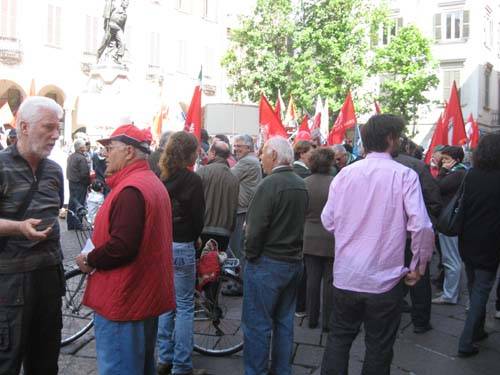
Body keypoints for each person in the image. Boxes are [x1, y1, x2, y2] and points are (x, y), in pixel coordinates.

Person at [320, 114, 434, 374]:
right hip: (384, 279)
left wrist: (352, 232)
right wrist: (418, 265)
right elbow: (422, 226)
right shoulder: (404, 175)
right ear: (390, 138)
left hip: (347, 275)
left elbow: (328, 220)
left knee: (339, 339)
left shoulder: (346, 174)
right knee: (379, 347)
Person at [75, 124, 174, 375]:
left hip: (124, 299)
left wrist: (90, 258)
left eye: (110, 148)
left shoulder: (132, 189)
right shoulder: (148, 182)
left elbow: (122, 247)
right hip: (141, 296)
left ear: (129, 151)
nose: (105, 154)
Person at [0, 96, 65, 374]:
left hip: (50, 277)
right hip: (10, 284)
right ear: (24, 127)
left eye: (58, 128)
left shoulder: (54, 170)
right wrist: (18, 227)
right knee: (7, 362)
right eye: (48, 127)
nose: (55, 135)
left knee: (46, 362)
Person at [242, 136, 308, 375]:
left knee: (257, 325)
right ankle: (282, 370)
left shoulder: (269, 184)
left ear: (273, 156)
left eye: (262, 154)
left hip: (268, 262)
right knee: (283, 322)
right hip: (293, 261)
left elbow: (255, 229)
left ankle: (255, 371)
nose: (260, 158)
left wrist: (250, 255)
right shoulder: (301, 183)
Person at [156, 131, 206, 375]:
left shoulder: (160, 176)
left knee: (166, 303)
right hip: (183, 245)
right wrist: (195, 236)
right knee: (185, 305)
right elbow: (198, 219)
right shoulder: (192, 180)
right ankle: (182, 364)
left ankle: (164, 357)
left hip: (162, 244)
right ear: (191, 152)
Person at [456, 133, 500, 357]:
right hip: (490, 242)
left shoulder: (471, 175)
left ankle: (479, 329)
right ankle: (465, 341)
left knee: (474, 287)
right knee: (480, 292)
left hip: (468, 239)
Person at [393, 137, 443, 334]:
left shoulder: (364, 167)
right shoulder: (417, 166)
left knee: (390, 276)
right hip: (413, 232)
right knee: (419, 276)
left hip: (387, 235)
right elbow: (434, 199)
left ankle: (391, 313)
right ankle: (421, 321)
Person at [303, 147, 335, 331]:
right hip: (331, 236)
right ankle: (328, 321)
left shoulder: (304, 183)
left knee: (312, 279)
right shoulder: (336, 183)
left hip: (309, 235)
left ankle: (312, 318)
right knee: (330, 281)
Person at [226, 134, 262, 295]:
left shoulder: (248, 162)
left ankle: (239, 284)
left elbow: (227, 177)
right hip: (245, 209)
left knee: (238, 249)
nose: (235, 148)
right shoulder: (250, 160)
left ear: (248, 147)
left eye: (239, 145)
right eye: (235, 145)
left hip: (242, 210)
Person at [433, 146, 467, 305]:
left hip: (449, 222)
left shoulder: (457, 173)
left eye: (446, 159)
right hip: (451, 221)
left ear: (456, 160)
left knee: (451, 259)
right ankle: (451, 291)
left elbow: (436, 188)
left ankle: (449, 295)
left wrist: (442, 172)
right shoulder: (460, 172)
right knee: (452, 258)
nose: (443, 162)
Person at [197, 141, 239, 251]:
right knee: (218, 264)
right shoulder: (233, 177)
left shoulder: (202, 172)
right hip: (224, 231)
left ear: (213, 153)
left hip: (203, 229)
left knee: (202, 264)